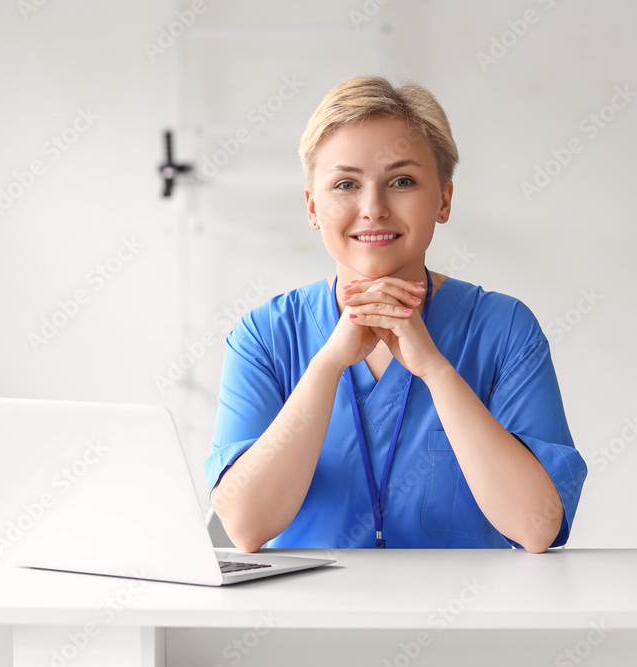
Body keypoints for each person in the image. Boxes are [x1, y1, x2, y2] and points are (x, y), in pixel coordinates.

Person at [205, 75, 586, 554]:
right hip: (303, 621)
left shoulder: (504, 328)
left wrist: (435, 369)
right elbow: (244, 526)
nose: (373, 209)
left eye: (402, 181)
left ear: (444, 200)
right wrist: (326, 367)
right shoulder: (264, 336)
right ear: (313, 207)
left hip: (472, 619)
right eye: (345, 184)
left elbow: (536, 529)